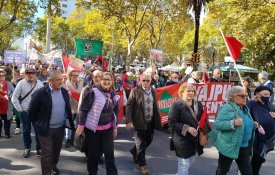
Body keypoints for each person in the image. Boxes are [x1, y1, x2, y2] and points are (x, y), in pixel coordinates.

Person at [28, 70, 75, 175]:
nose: (61, 82)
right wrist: (39, 123)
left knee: (56, 151)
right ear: (50, 81)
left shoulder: (64, 92)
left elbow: (67, 108)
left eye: (61, 79)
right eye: (58, 80)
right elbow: (31, 111)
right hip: (46, 129)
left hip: (60, 128)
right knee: (47, 154)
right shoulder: (40, 93)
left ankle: (53, 166)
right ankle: (46, 172)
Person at [76, 72, 119, 175]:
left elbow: (115, 112)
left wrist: (115, 127)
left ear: (112, 81)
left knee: (109, 153)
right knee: (93, 154)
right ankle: (92, 172)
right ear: (100, 80)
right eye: (104, 79)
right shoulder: (93, 92)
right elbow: (84, 109)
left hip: (107, 129)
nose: (106, 81)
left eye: (109, 79)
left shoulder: (114, 94)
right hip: (92, 129)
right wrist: (81, 126)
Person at [208, 86, 255, 175]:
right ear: (232, 97)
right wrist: (233, 123)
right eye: (242, 96)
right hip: (229, 146)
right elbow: (217, 124)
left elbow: (245, 123)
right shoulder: (227, 107)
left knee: (247, 172)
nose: (245, 98)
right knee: (223, 170)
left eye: (246, 95)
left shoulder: (244, 108)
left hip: (244, 146)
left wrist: (253, 125)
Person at [125, 73, 162, 175]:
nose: (145, 82)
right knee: (141, 143)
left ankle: (134, 151)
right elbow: (129, 106)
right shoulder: (135, 91)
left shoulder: (153, 91)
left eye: (147, 81)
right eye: (143, 80)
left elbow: (155, 106)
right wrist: (128, 120)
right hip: (139, 122)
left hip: (150, 121)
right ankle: (142, 165)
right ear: (140, 81)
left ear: (151, 81)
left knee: (148, 140)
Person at [168, 83, 204, 175]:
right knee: (184, 164)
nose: (191, 93)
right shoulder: (177, 105)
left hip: (194, 139)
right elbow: (172, 123)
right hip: (181, 140)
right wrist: (187, 128)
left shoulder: (198, 104)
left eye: (193, 91)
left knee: (190, 162)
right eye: (188, 91)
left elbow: (202, 119)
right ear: (182, 92)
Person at [11, 68, 44, 158]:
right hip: (24, 111)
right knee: (26, 131)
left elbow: (44, 98)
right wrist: (20, 109)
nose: (30, 75)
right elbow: (14, 97)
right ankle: (27, 148)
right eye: (28, 73)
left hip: (36, 113)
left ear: (36, 74)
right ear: (25, 74)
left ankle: (39, 149)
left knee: (38, 131)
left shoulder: (40, 84)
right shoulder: (21, 83)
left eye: (32, 73)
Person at [247, 86, 275, 175]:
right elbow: (246, 117)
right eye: (265, 94)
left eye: (269, 94)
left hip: (266, 138)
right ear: (258, 95)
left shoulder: (268, 104)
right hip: (255, 137)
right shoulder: (251, 104)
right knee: (256, 158)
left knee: (259, 159)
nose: (267, 96)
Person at [64, 70, 83, 148]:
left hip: (79, 107)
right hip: (70, 107)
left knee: (77, 124)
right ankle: (68, 140)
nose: (75, 77)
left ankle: (74, 139)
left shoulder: (80, 84)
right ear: (70, 76)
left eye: (76, 76)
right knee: (69, 124)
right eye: (74, 75)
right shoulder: (66, 84)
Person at [0, 69, 14, 138]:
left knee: (7, 121)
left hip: (7, 105)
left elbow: (13, 92)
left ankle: (7, 133)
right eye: (0, 76)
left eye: (3, 76)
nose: (1, 77)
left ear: (5, 76)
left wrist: (8, 94)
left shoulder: (9, 84)